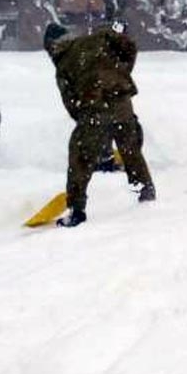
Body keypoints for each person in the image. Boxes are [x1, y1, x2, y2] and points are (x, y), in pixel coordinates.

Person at [43, 21, 156, 227]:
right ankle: (145, 191)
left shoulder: (63, 64)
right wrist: (121, 74)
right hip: (121, 100)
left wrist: (88, 123)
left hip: (93, 107)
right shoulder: (96, 39)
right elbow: (128, 46)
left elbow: (71, 104)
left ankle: (76, 209)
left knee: (80, 157)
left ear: (52, 46)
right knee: (130, 150)